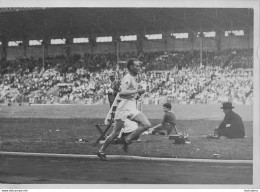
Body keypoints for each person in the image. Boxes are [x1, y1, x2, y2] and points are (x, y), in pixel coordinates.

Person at [97, 58, 151, 160]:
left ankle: (127, 139)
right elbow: (122, 93)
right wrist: (137, 90)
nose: (139, 68)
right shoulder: (127, 77)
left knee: (147, 124)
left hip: (131, 106)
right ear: (131, 67)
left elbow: (131, 94)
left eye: (139, 66)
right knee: (115, 133)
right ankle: (101, 151)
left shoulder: (133, 78)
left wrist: (138, 94)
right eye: (136, 66)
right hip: (123, 107)